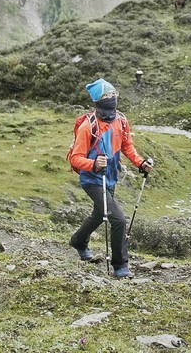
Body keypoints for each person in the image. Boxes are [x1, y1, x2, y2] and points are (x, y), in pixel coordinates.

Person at [67, 78, 153, 278]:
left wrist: (140, 163)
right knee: (119, 220)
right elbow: (76, 158)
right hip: (92, 180)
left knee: (99, 214)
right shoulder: (88, 127)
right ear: (98, 100)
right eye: (107, 95)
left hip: (111, 177)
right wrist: (94, 164)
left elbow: (127, 146)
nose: (112, 98)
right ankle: (120, 266)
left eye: (114, 94)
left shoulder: (121, 120)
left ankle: (78, 241)